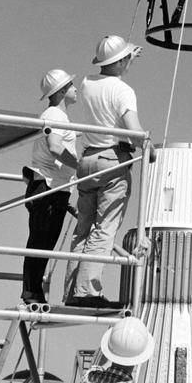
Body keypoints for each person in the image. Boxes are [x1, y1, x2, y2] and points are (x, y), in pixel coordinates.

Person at [65, 35, 146, 305]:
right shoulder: (123, 91)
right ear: (121, 60)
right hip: (112, 161)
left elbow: (107, 78)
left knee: (83, 229)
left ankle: (72, 293)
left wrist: (127, 57)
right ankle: (87, 292)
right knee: (105, 229)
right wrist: (148, 147)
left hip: (87, 160)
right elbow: (133, 131)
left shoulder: (87, 84)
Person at [21, 69, 78, 304]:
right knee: (41, 240)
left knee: (43, 241)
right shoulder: (55, 114)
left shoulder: (55, 114)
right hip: (48, 186)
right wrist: (80, 166)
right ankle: (31, 292)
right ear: (63, 91)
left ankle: (33, 292)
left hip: (54, 186)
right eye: (72, 85)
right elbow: (55, 146)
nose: (77, 89)